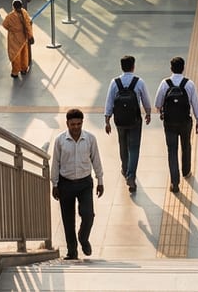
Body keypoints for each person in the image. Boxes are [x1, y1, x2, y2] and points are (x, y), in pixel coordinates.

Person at [51, 109, 104, 261]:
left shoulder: (90, 139)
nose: (75, 127)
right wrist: (54, 184)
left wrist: (100, 181)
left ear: (82, 122)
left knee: (88, 215)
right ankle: (72, 251)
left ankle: (83, 237)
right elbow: (55, 163)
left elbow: (96, 160)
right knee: (68, 220)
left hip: (85, 183)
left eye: (78, 124)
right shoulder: (60, 140)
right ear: (67, 123)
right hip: (65, 183)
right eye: (72, 124)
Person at [154, 56, 198, 193]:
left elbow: (157, 104)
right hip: (185, 122)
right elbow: (195, 104)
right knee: (186, 145)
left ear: (171, 68)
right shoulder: (189, 84)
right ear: (183, 68)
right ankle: (186, 171)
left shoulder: (165, 83)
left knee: (172, 150)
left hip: (169, 122)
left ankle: (174, 182)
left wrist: (163, 110)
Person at [103, 56, 151, 193]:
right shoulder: (139, 82)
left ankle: (125, 168)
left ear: (121, 66)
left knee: (122, 144)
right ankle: (131, 175)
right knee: (134, 147)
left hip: (119, 120)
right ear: (133, 66)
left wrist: (107, 120)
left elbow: (109, 102)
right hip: (135, 120)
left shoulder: (115, 82)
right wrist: (148, 113)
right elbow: (146, 100)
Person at [2, 0, 34, 78]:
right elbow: (28, 25)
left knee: (15, 55)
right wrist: (30, 36)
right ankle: (24, 69)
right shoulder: (24, 13)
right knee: (24, 54)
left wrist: (12, 30)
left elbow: (5, 25)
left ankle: (15, 72)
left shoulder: (10, 16)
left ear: (13, 6)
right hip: (23, 37)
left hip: (14, 38)